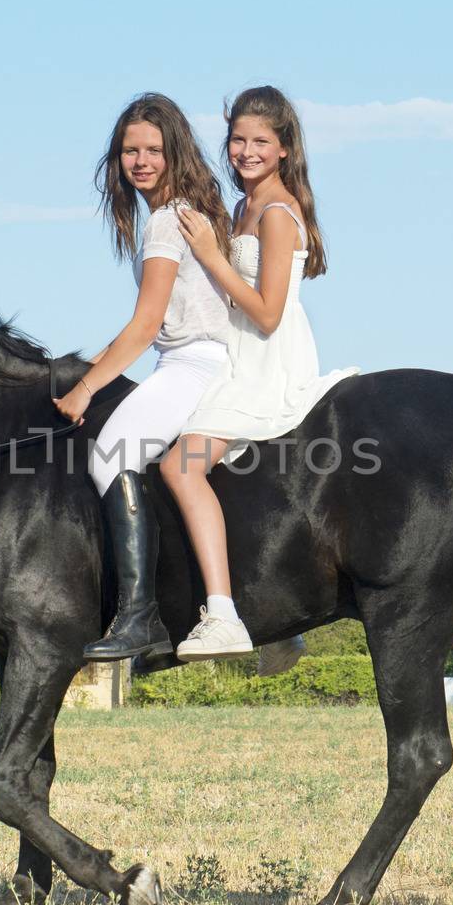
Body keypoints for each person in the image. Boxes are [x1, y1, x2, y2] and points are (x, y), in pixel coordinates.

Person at [161, 85, 359, 660]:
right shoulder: (245, 205)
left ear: (284, 150)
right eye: (238, 140)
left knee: (181, 467)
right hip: (235, 349)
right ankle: (279, 615)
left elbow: (269, 313)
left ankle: (223, 616)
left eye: (260, 142)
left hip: (265, 359)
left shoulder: (275, 213)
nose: (246, 151)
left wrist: (211, 257)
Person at [52, 93, 234, 662]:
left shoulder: (164, 221)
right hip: (189, 359)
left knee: (109, 454)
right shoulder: (186, 211)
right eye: (131, 150)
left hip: (194, 362)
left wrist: (86, 388)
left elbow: (147, 323)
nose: (141, 160)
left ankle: (139, 618)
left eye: (153, 149)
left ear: (174, 151)